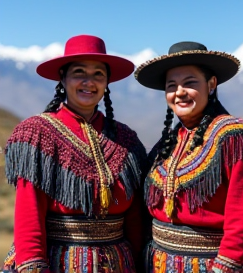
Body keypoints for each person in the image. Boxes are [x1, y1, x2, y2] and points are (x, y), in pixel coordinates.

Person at [3, 35, 147, 273]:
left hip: (119, 264)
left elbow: (134, 218)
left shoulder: (127, 139)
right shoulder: (36, 134)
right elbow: (29, 217)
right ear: (63, 78)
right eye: (79, 72)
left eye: (98, 74)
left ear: (107, 82)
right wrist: (33, 267)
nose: (89, 82)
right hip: (56, 262)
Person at [134, 41, 243, 273]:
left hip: (208, 265)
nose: (179, 92)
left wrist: (224, 266)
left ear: (211, 85)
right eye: (171, 85)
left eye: (189, 83)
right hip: (156, 263)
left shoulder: (235, 138)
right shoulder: (168, 143)